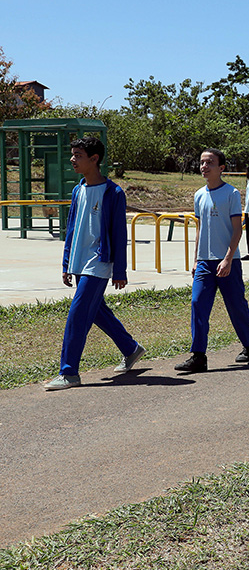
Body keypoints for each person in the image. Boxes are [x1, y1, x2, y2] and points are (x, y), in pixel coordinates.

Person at [45, 137, 146, 390]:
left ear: (94, 159)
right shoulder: (78, 190)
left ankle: (69, 373)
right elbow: (72, 230)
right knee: (98, 312)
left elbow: (119, 234)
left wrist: (120, 271)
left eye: (78, 155)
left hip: (99, 263)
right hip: (80, 262)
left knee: (78, 314)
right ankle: (131, 349)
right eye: (73, 154)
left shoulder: (113, 193)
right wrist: (67, 263)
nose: (72, 159)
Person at [176, 149, 249, 373]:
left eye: (210, 163)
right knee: (197, 303)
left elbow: (237, 230)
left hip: (227, 261)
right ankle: (198, 356)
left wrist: (228, 259)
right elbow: (199, 230)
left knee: (235, 305)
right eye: (202, 162)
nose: (204, 166)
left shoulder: (231, 194)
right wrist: (195, 259)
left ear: (221, 168)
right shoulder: (199, 195)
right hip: (204, 262)